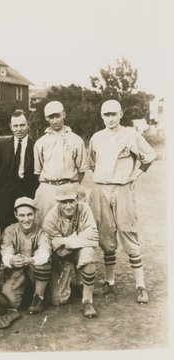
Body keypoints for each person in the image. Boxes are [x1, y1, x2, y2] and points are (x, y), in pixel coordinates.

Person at [89, 99, 156, 304]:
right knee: (106, 237)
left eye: (113, 114)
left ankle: (140, 286)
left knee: (128, 233)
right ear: (102, 116)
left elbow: (150, 155)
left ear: (121, 114)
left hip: (122, 188)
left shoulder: (131, 135)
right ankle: (109, 282)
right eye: (106, 114)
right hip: (101, 188)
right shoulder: (97, 137)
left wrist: (134, 176)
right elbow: (93, 163)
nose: (110, 118)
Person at [42, 184, 99, 318]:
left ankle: (87, 300)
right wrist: (80, 238)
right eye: (64, 202)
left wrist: (66, 241)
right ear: (58, 202)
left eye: (71, 201)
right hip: (62, 257)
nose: (68, 206)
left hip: (78, 250)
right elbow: (56, 247)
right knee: (58, 300)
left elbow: (94, 237)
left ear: (77, 199)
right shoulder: (50, 218)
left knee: (88, 253)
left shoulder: (85, 209)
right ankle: (71, 284)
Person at [33, 100, 89, 224]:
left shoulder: (76, 140)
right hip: (48, 188)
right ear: (46, 118)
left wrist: (71, 184)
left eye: (57, 116)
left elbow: (81, 170)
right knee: (45, 224)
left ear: (63, 114)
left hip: (70, 187)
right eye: (51, 117)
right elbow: (38, 171)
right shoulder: (41, 142)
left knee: (72, 224)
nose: (55, 120)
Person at [0, 197, 51, 314]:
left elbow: (45, 253)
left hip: (35, 271)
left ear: (35, 214)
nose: (26, 219)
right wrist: (12, 260)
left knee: (44, 261)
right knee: (11, 303)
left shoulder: (41, 231)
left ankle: (38, 297)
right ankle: (25, 291)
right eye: (22, 215)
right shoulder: (9, 230)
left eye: (30, 214)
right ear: (15, 215)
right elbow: (6, 251)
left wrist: (30, 260)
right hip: (17, 271)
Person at [0, 110, 39, 231]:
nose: (19, 129)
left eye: (22, 125)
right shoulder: (2, 147)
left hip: (27, 191)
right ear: (11, 127)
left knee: (26, 224)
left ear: (28, 125)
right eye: (15, 126)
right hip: (5, 192)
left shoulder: (36, 146)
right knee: (2, 224)